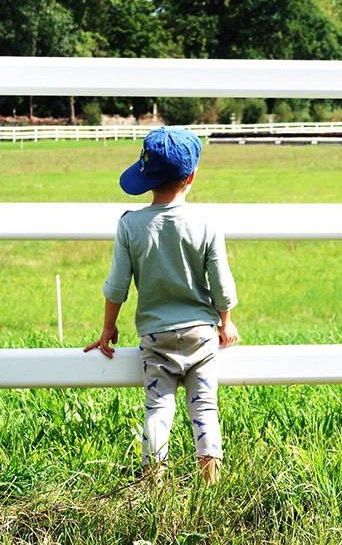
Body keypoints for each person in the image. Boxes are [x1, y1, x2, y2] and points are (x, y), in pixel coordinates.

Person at [84, 126, 240, 483]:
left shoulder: (130, 225)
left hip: (155, 336)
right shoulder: (206, 223)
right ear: (192, 176)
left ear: (146, 176)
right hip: (201, 334)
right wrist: (225, 321)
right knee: (204, 407)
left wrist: (109, 328)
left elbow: (116, 286)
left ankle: (155, 484)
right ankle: (211, 483)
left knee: (158, 408)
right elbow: (221, 281)